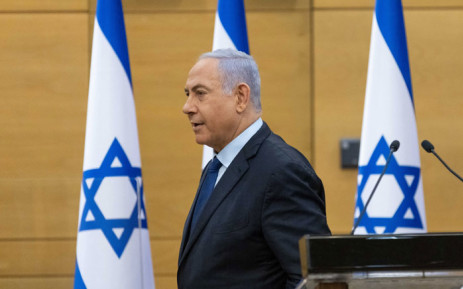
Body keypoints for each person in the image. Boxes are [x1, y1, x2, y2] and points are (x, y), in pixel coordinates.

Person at [178, 49, 330, 289]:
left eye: (200, 94)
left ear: (240, 97)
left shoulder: (282, 172)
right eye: (188, 94)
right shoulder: (215, 168)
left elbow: (312, 281)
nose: (187, 107)